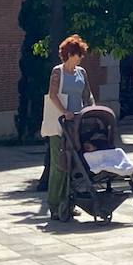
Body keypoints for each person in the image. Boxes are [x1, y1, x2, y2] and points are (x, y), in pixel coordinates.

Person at [40, 36, 95, 219]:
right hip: (60, 124)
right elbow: (53, 95)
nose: (81, 58)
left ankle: (69, 203)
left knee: (74, 165)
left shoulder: (82, 72)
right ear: (70, 54)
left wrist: (93, 110)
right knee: (59, 165)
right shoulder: (58, 72)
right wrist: (64, 112)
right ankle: (55, 205)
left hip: (77, 124)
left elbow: (88, 95)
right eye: (79, 54)